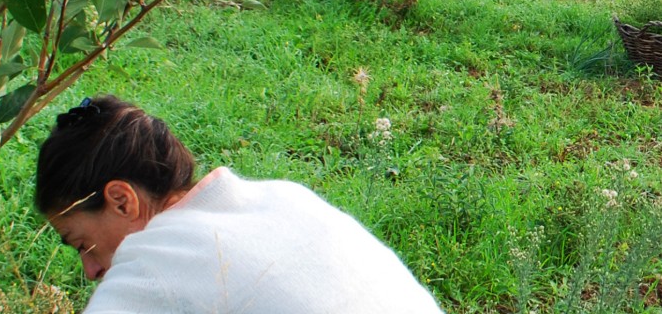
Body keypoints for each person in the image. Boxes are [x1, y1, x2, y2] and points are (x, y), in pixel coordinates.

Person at [36, 95, 444, 314]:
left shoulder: (152, 266)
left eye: (80, 243)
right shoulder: (284, 196)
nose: (91, 271)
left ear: (122, 200)